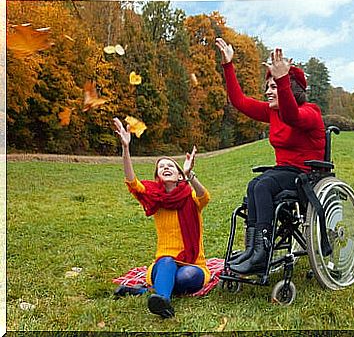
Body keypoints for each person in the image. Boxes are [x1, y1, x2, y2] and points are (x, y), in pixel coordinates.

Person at [215, 37, 326, 275]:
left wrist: (282, 79)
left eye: (273, 86)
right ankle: (252, 249)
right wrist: (228, 65)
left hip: (306, 173)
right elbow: (240, 101)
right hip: (283, 172)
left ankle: (261, 252)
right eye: (267, 87)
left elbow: (292, 116)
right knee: (255, 184)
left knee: (263, 185)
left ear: (290, 88)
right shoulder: (273, 113)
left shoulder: (310, 112)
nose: (267, 91)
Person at [112, 117, 211, 318]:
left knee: (186, 276)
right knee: (166, 262)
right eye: (161, 166)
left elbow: (204, 196)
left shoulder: (190, 198)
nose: (166, 167)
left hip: (193, 265)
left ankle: (146, 292)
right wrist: (125, 148)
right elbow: (132, 183)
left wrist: (190, 174)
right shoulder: (155, 199)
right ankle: (163, 301)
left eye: (170, 166)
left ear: (179, 175)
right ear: (157, 175)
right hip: (163, 265)